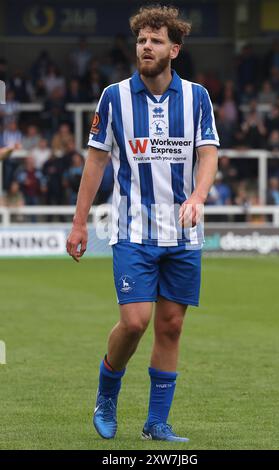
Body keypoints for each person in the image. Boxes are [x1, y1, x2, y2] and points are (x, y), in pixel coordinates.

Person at [66, 5, 219, 442]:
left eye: (155, 41)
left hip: (184, 234)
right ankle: (107, 393)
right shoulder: (113, 97)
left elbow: (208, 152)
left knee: (171, 325)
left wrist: (198, 196)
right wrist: (79, 225)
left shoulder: (197, 98)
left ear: (175, 48)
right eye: (141, 40)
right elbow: (95, 163)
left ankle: (156, 424)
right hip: (132, 230)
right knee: (135, 322)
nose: (146, 47)